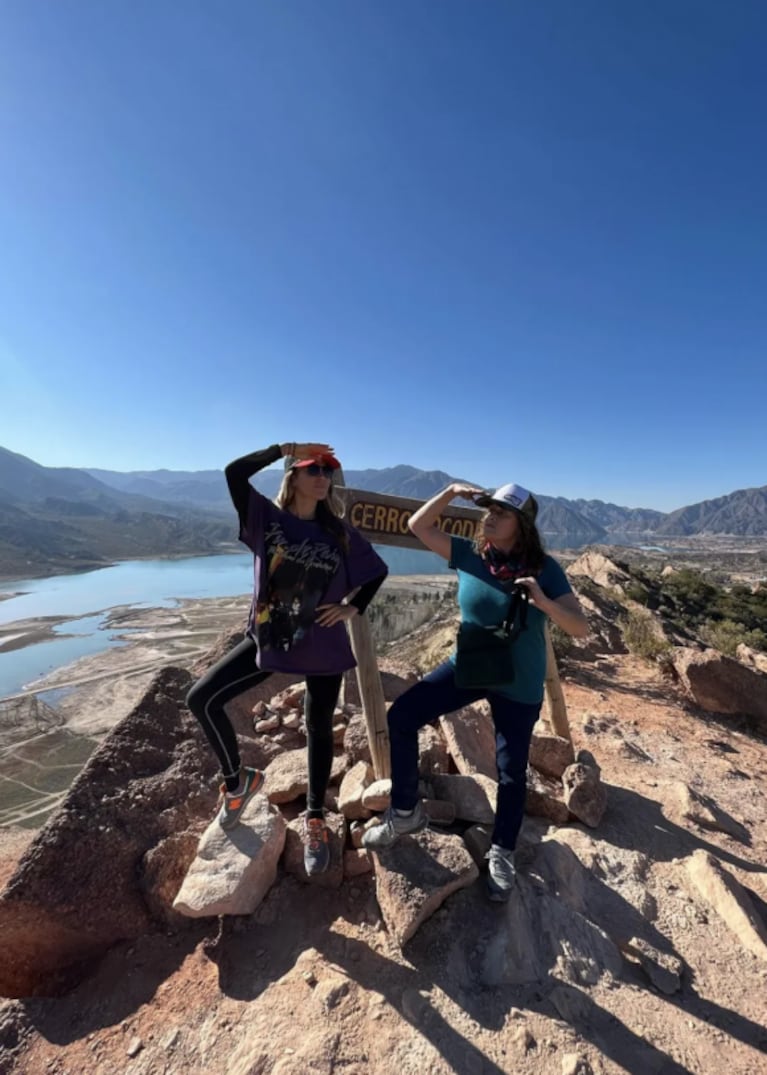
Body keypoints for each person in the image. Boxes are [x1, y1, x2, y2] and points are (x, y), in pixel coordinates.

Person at [363, 480, 588, 901]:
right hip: (471, 666)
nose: (490, 516)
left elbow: (580, 628)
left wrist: (542, 600)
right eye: (489, 509)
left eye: (501, 512)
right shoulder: (469, 554)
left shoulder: (545, 569)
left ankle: (501, 851)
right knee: (403, 716)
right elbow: (418, 524)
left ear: (521, 524)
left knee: (509, 768)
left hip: (518, 680)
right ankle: (406, 811)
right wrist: (450, 492)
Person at [187, 442, 388, 875]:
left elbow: (378, 571)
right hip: (271, 639)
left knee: (318, 728)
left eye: (328, 471)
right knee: (201, 699)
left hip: (324, 646)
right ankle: (237, 781)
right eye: (313, 469)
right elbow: (233, 472)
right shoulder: (266, 520)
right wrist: (282, 448)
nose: (323, 476)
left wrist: (354, 607)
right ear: (293, 476)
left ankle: (316, 818)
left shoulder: (338, 534)